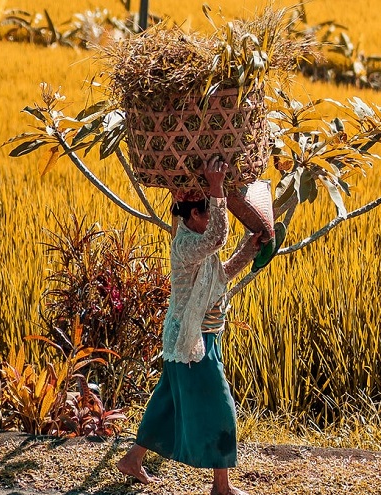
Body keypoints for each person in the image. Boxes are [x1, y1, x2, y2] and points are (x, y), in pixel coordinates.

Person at [117, 156, 264, 495]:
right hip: (191, 342)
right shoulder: (186, 244)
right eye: (209, 211)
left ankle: (132, 459)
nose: (213, 218)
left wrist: (247, 250)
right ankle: (221, 486)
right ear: (196, 214)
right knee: (221, 405)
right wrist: (216, 189)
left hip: (191, 338)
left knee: (166, 402)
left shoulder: (195, 243)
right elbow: (217, 238)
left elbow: (219, 275)